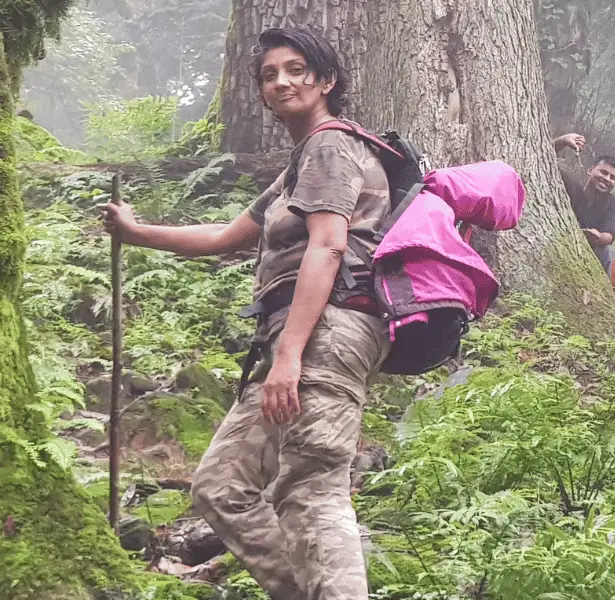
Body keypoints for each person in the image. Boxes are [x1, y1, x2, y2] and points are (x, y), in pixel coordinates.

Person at [100, 26, 385, 599]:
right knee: (221, 485)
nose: (281, 81)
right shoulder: (299, 165)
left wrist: (291, 354)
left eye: (297, 69)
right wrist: (136, 233)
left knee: (312, 489)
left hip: (324, 334)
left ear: (327, 80)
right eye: (268, 74)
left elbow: (328, 245)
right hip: (295, 340)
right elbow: (227, 237)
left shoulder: (331, 145)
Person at [550, 132, 615, 273]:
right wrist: (563, 141)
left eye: (612, 177)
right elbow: (543, 160)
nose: (606, 178)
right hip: (561, 243)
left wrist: (598, 237)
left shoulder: (612, 204)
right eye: (603, 172)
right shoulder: (571, 188)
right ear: (590, 170)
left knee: (608, 251)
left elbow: (609, 235)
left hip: (590, 254)